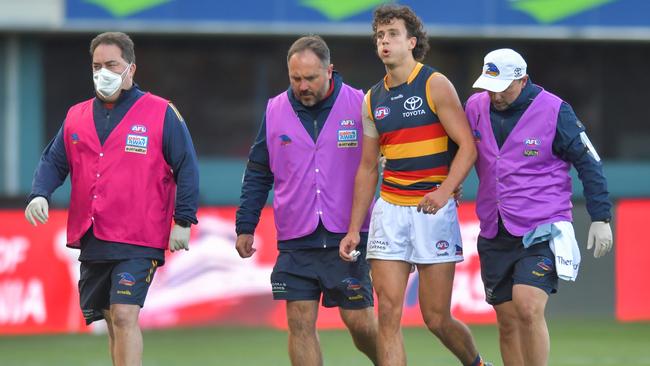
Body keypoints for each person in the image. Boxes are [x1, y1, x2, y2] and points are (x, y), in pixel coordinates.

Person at [24, 32, 199, 366]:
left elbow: (186, 166)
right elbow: (53, 161)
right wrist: (39, 194)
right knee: (111, 320)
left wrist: (183, 219)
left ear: (130, 69)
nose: (102, 72)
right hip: (94, 235)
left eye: (111, 65)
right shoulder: (75, 116)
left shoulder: (161, 113)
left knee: (123, 315)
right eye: (96, 65)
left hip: (139, 236)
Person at [340, 5, 490, 366]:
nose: (385, 41)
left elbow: (468, 147)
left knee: (436, 318)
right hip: (389, 211)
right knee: (388, 314)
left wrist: (443, 190)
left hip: (431, 211)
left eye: (392, 34)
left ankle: (477, 363)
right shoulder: (372, 99)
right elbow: (367, 167)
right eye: (380, 36)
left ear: (411, 42)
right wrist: (353, 229)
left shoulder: (434, 84)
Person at [235, 35, 378, 366]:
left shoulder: (360, 103)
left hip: (349, 234)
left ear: (330, 70)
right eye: (296, 78)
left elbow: (386, 158)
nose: (303, 86)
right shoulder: (274, 110)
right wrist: (246, 225)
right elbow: (258, 170)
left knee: (359, 323)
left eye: (310, 78)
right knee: (299, 322)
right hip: (296, 238)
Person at [465, 48, 613, 366]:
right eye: (490, 87)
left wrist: (601, 217)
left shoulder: (556, 110)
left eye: (503, 87)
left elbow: (589, 162)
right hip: (494, 227)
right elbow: (456, 148)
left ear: (523, 80)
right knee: (506, 321)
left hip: (542, 225)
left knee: (528, 306)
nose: (495, 95)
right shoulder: (475, 107)